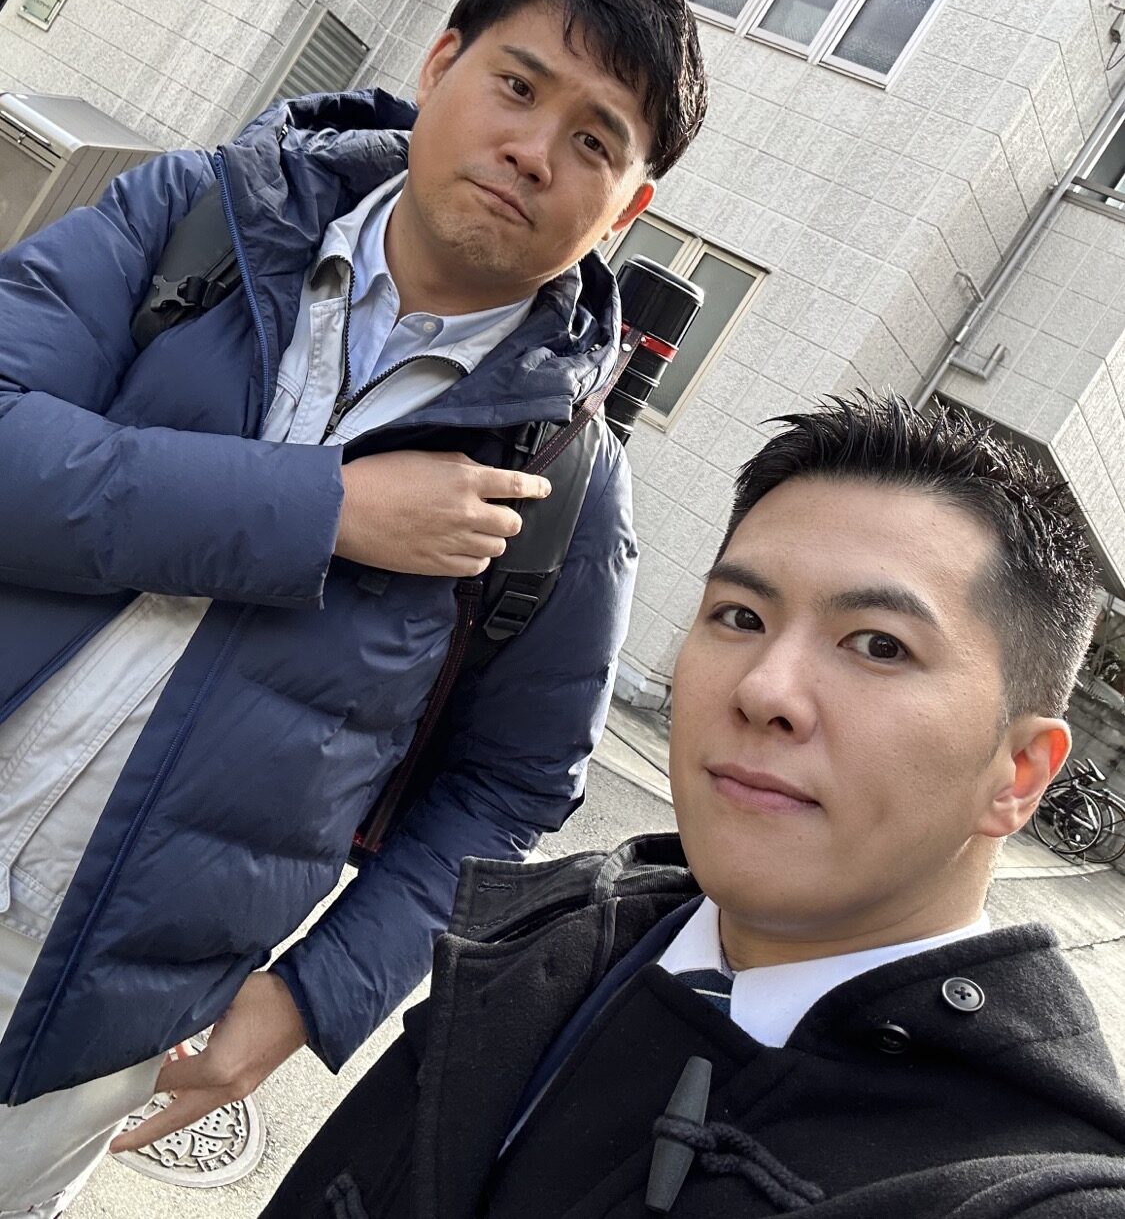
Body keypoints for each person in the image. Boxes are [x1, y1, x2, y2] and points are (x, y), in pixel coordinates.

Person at [0, 0, 708, 1215]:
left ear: (628, 207)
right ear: (440, 64)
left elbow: (510, 785)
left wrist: (311, 997)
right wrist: (320, 511)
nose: (534, 150)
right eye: (517, 84)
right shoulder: (196, 221)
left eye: (596, 141)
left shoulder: (566, 481)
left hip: (90, 1017)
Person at [263, 394, 1125, 1219]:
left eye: (878, 644)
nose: (763, 690)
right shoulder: (543, 942)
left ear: (1017, 773)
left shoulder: (1011, 1180)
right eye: (740, 616)